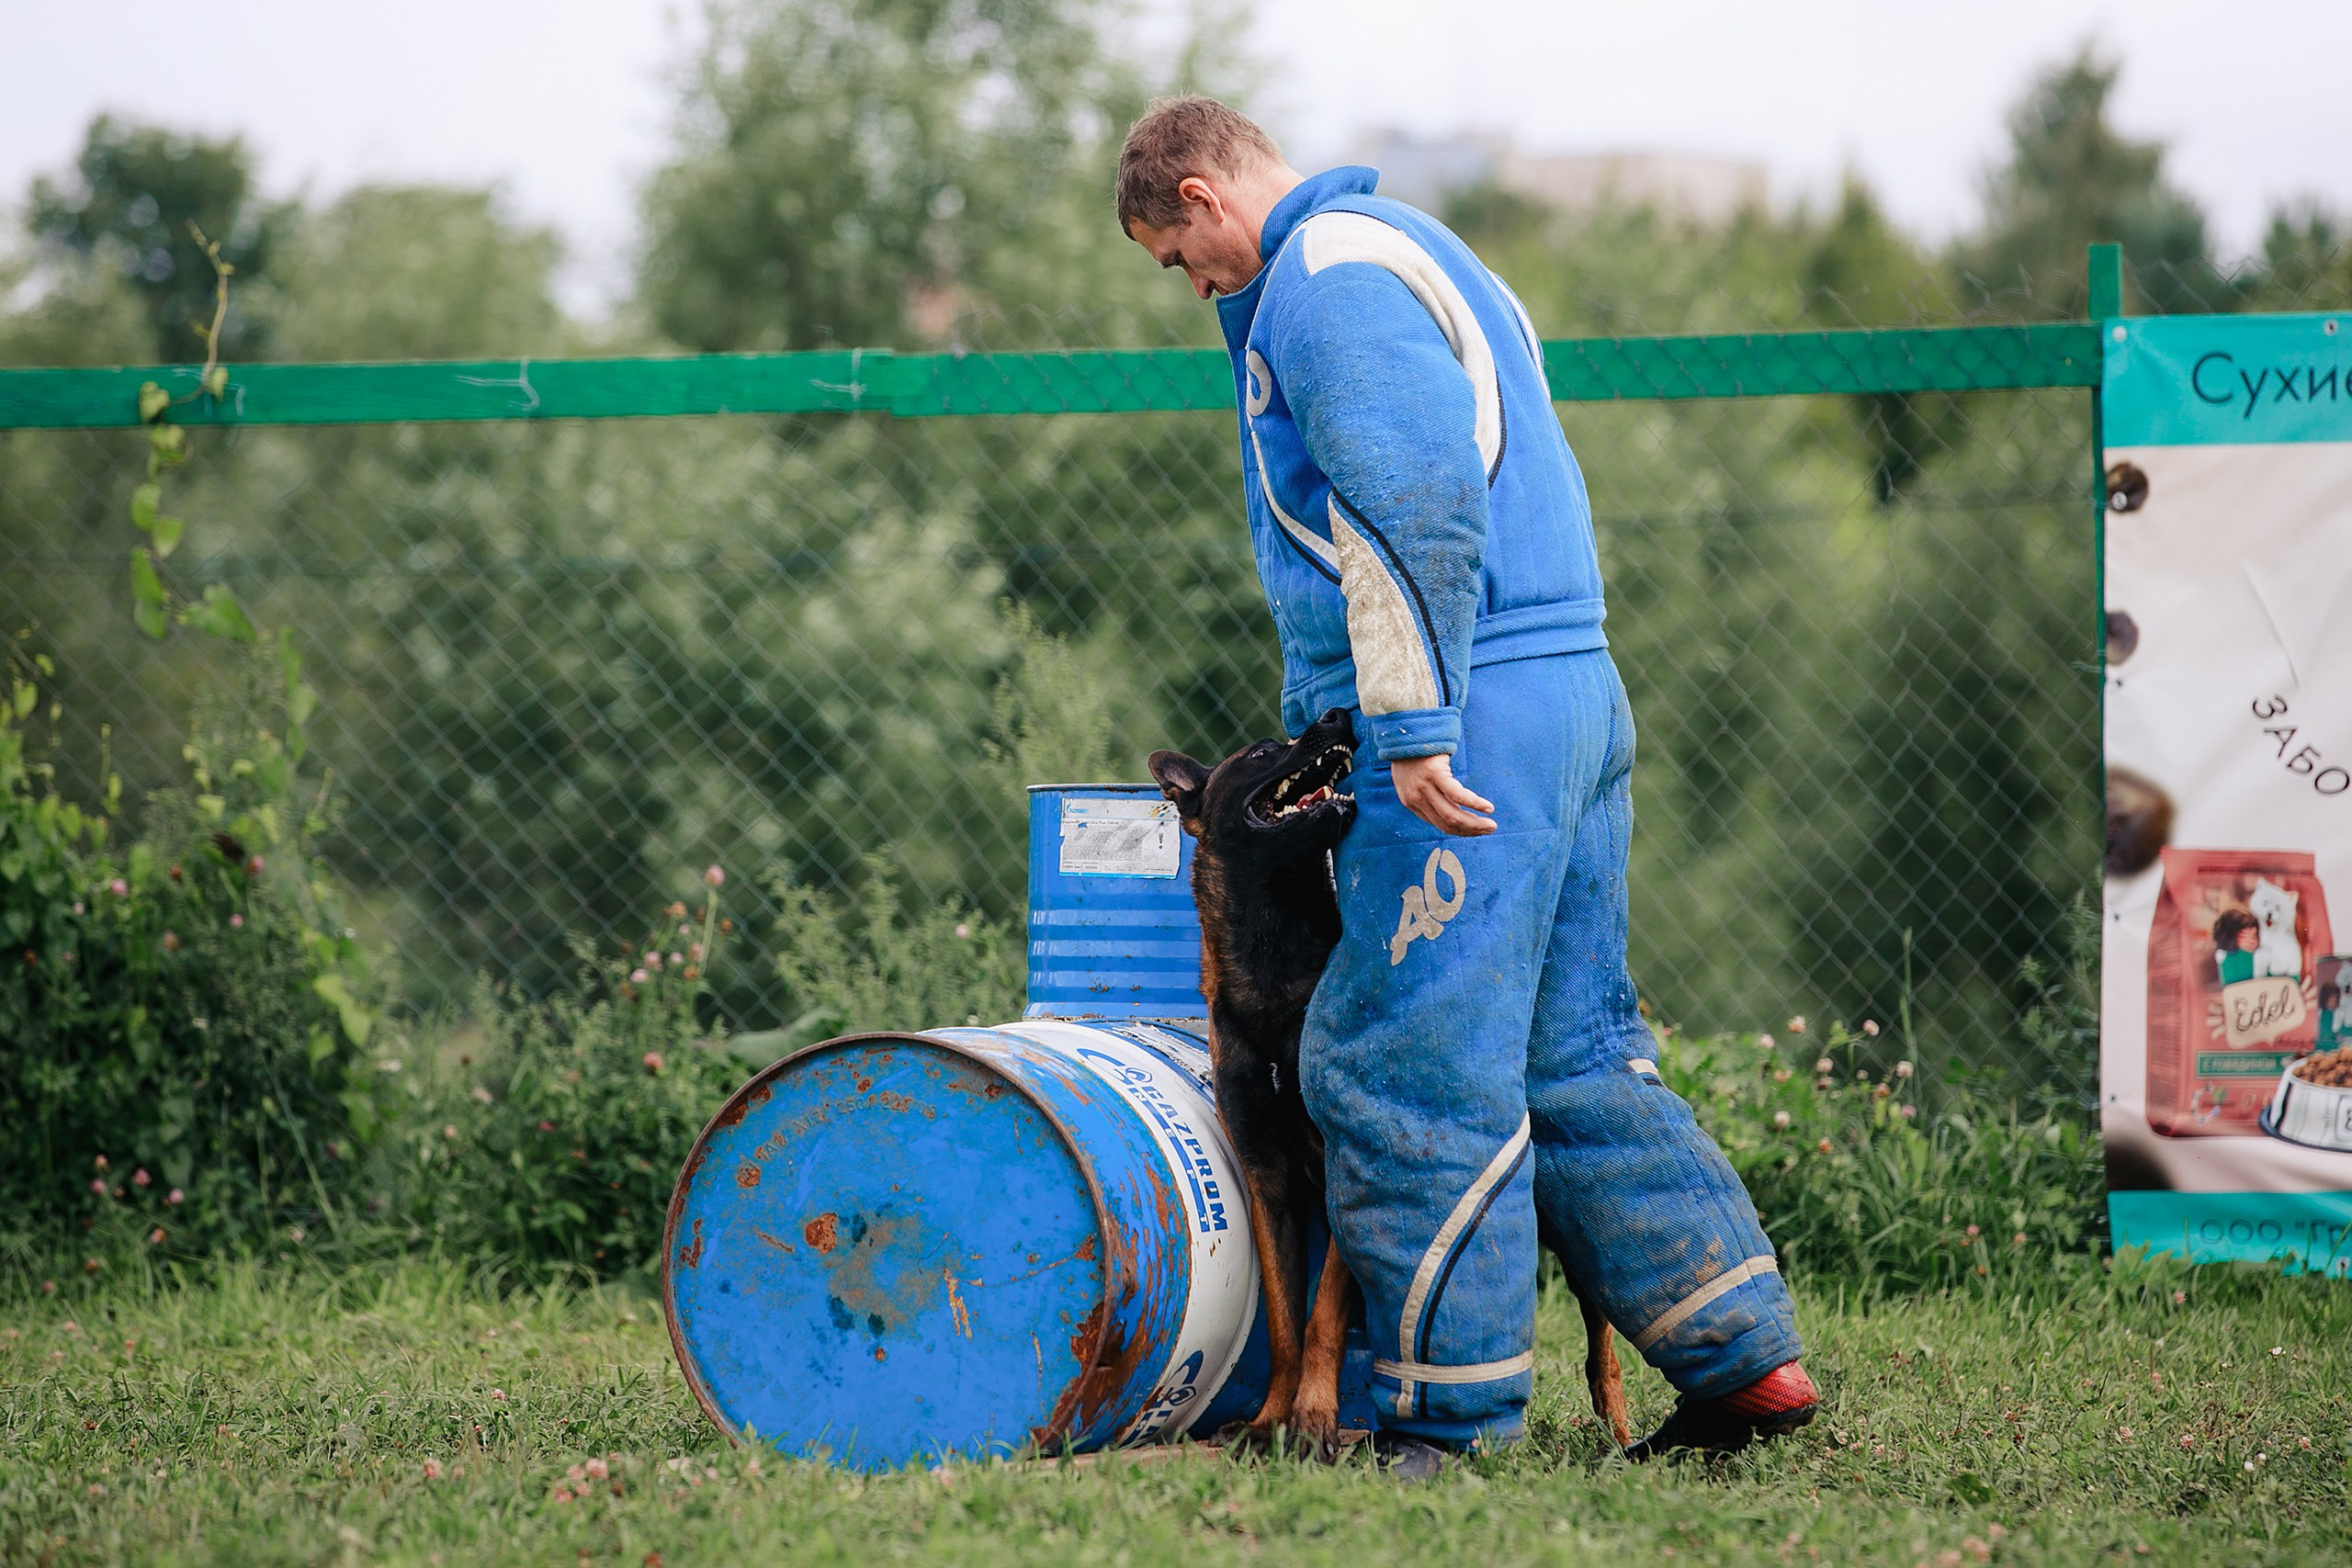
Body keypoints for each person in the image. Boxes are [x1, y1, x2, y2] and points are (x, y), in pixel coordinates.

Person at [1115, 96, 1814, 1477]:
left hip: (1467, 710)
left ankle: (1450, 1415)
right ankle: (1745, 1361)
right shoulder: (1426, 247)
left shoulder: (1321, 284)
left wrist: (1418, 725)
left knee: (1395, 1062)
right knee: (1569, 1050)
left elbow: (1416, 495)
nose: (1191, 288)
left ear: (1201, 196)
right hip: (1566, 692)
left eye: (1174, 259)